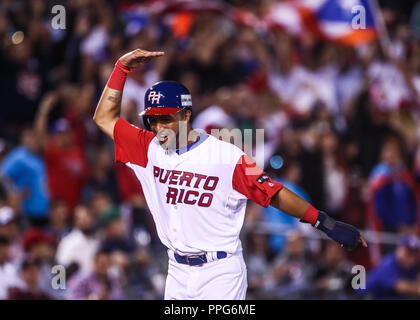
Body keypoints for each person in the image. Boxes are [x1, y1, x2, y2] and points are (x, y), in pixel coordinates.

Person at [92, 48, 367, 300]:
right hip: (176, 271)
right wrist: (121, 69)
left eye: (166, 118)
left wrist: (324, 223)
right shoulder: (146, 147)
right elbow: (104, 117)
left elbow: (274, 193)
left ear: (186, 116)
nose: (158, 126)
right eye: (152, 120)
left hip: (220, 272)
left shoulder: (227, 156)